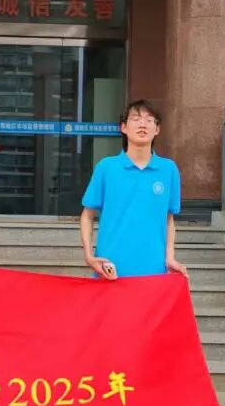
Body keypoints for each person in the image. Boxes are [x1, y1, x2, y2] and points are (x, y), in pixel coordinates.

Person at [80, 99, 189, 280]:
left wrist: (170, 257)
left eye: (149, 120)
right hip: (111, 269)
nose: (142, 124)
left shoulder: (168, 170)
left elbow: (169, 218)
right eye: (136, 119)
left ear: (157, 129)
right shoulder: (106, 168)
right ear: (123, 127)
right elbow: (87, 215)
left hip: (153, 269)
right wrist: (89, 256)